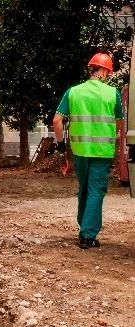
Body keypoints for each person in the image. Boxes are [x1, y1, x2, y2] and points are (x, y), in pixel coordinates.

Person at [52, 52, 124, 250]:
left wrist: (60, 144)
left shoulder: (73, 92)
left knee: (84, 188)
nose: (108, 75)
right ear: (104, 70)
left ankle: (84, 226)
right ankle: (87, 235)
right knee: (96, 191)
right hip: (102, 151)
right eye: (108, 72)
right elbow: (119, 124)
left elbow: (57, 121)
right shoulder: (112, 93)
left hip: (80, 150)